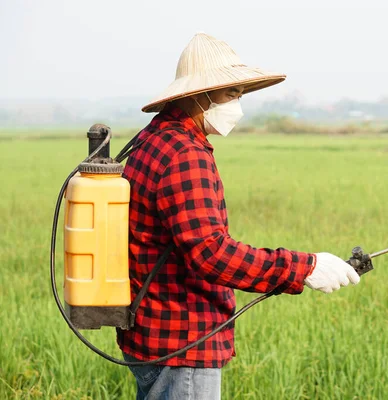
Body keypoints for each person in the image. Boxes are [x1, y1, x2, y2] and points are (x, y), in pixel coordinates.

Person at [117, 32, 360, 400]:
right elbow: (211, 254)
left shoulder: (153, 139)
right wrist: (305, 267)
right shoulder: (185, 154)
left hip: (152, 333)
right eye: (231, 94)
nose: (238, 106)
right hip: (183, 344)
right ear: (199, 95)